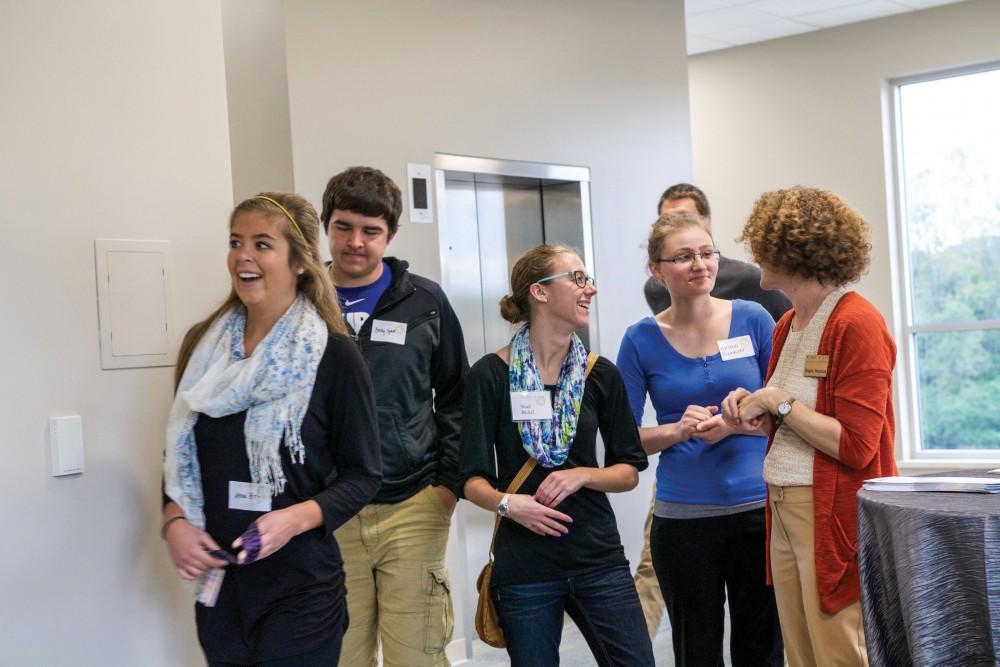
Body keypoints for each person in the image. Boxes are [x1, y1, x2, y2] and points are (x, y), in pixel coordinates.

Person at [161, 192, 382, 666]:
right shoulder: (202, 348)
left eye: (262, 244)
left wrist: (292, 520)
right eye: (236, 241)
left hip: (301, 590)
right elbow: (179, 459)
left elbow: (363, 475)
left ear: (299, 260)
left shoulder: (335, 356)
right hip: (223, 592)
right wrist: (174, 522)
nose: (243, 255)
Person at [721, 186, 897, 666]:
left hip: (830, 507)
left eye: (762, 245)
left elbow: (857, 446)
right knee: (800, 652)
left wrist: (778, 401)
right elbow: (795, 427)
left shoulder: (857, 322)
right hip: (783, 502)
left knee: (838, 649)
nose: (754, 255)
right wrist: (753, 410)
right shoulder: (789, 325)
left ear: (791, 249)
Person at [461, 244, 655, 667]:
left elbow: (628, 471)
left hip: (597, 559)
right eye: (578, 279)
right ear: (540, 292)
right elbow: (471, 479)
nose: (591, 289)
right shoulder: (489, 376)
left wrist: (583, 475)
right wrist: (511, 505)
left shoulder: (599, 373)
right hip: (525, 567)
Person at [617, 212, 783, 667]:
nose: (700, 265)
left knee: (762, 649)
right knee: (696, 652)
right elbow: (625, 441)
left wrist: (739, 417)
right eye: (684, 257)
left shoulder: (753, 318)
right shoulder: (640, 340)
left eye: (707, 253)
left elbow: (786, 404)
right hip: (684, 520)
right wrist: (677, 430)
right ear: (657, 269)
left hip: (758, 511)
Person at [321, 166, 468, 667]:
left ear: (392, 234)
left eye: (370, 231)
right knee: (340, 655)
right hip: (328, 510)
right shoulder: (301, 301)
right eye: (343, 227)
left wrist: (447, 487)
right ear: (326, 226)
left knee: (419, 657)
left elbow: (455, 396)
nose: (355, 242)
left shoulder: (424, 301)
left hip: (413, 503)